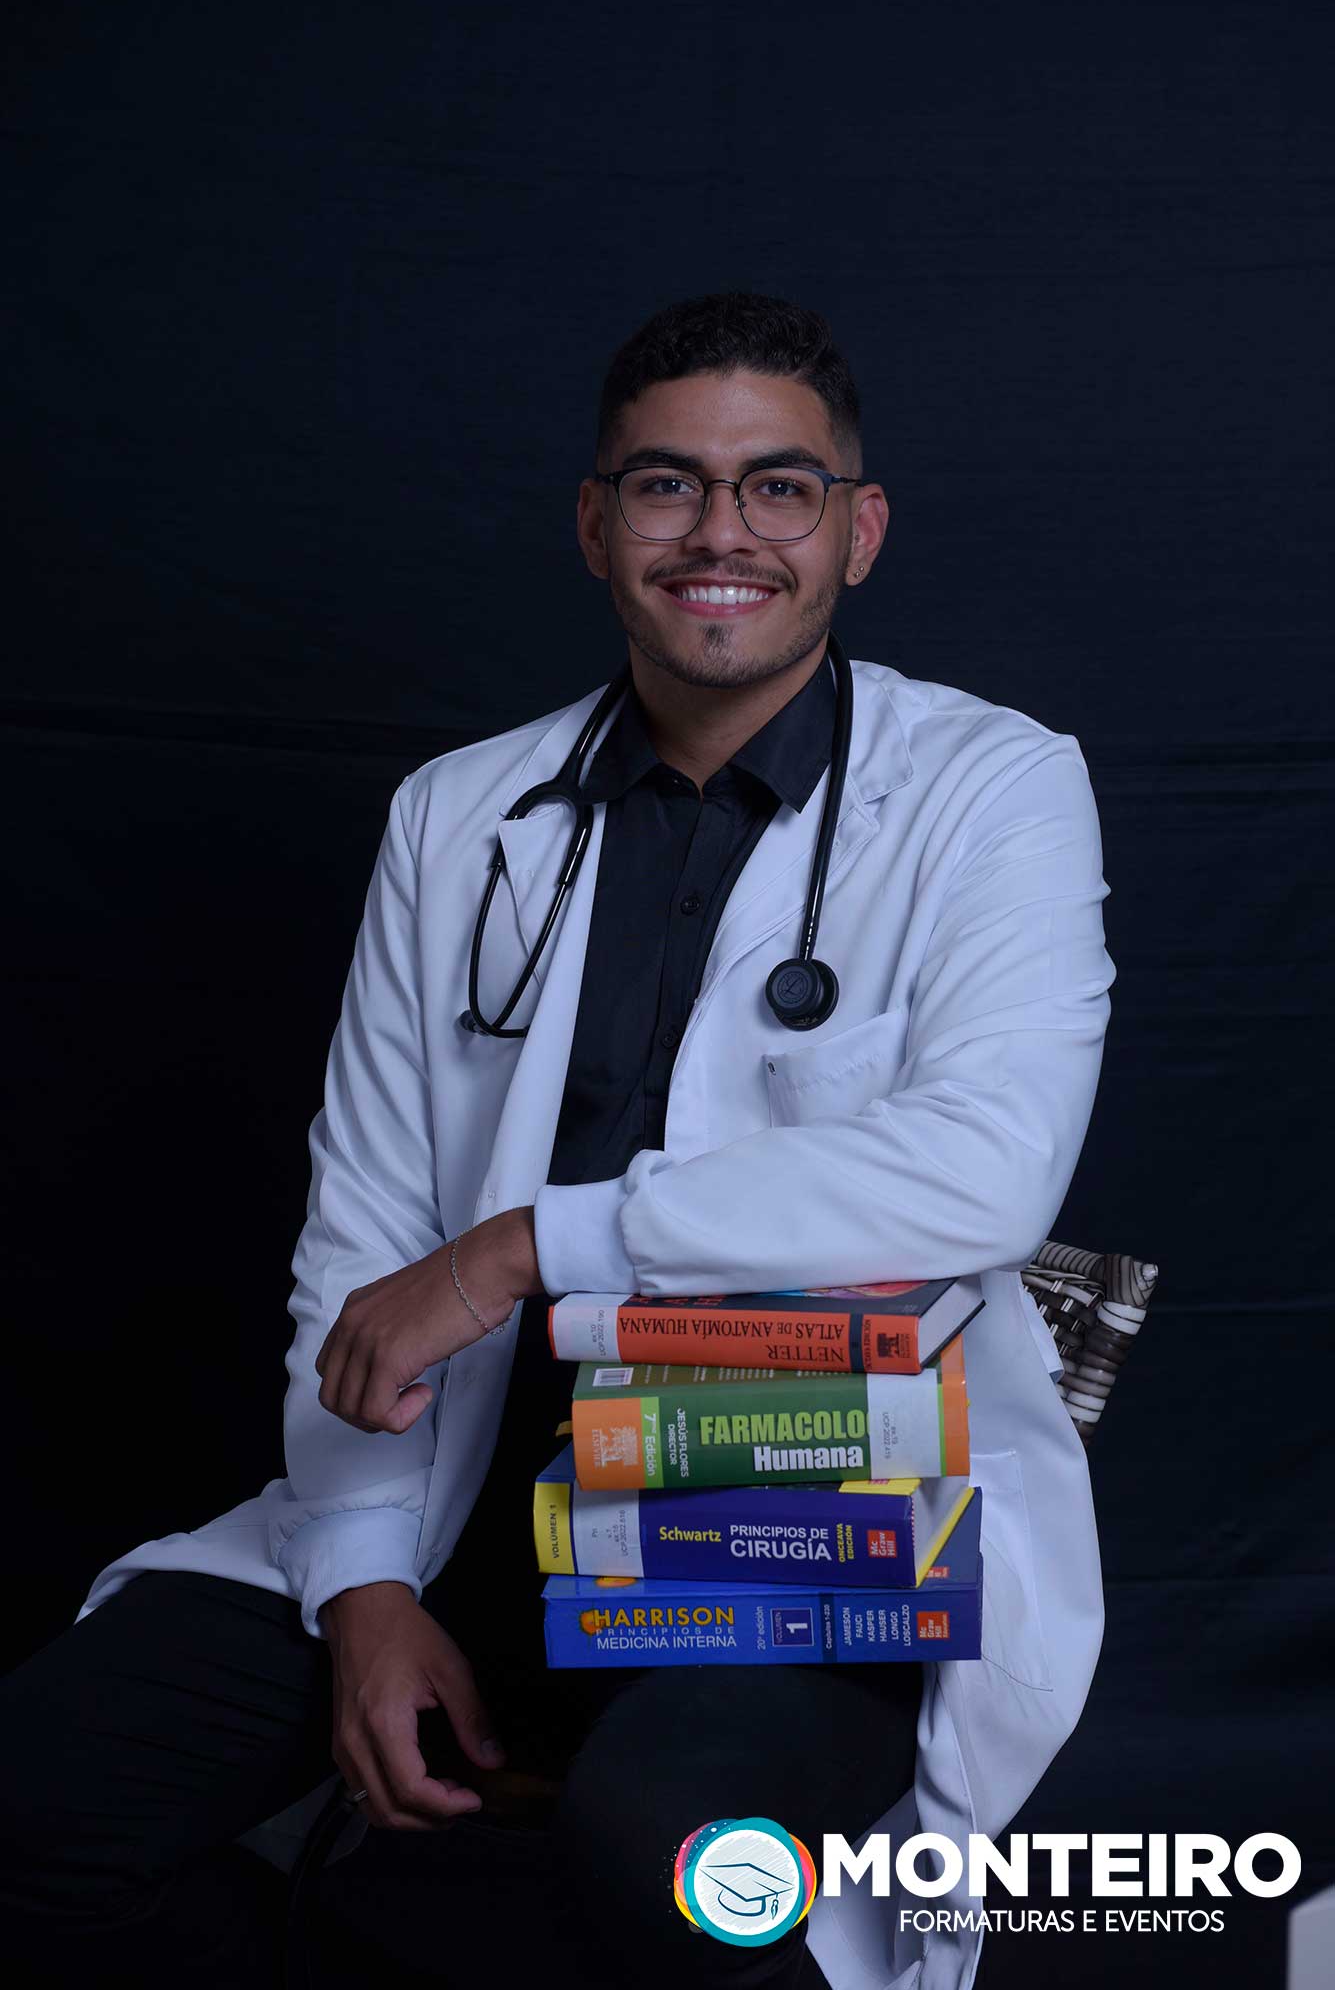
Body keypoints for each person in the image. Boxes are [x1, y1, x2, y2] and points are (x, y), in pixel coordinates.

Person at [0, 292, 1115, 1990]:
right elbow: (368, 1227)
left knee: (679, 1870)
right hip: (463, 1508)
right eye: (667, 484)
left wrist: (524, 1248)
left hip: (796, 1517)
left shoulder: (992, 789)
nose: (721, 532)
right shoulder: (461, 814)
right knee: (35, 1810)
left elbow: (988, 1169)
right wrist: (365, 1584)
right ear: (596, 526)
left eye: (780, 486)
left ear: (859, 530)